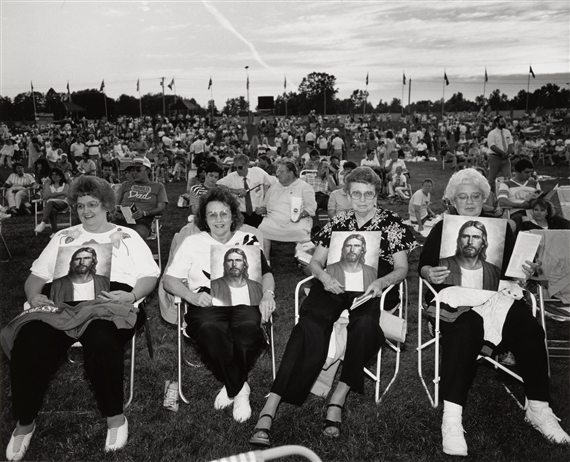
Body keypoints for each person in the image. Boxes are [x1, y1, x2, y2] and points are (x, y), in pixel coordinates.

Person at [250, 167, 417, 446]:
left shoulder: (392, 222)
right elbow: (316, 261)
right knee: (309, 325)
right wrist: (324, 277)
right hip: (334, 282)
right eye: (356, 194)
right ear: (348, 195)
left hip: (373, 286)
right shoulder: (339, 221)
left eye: (368, 194)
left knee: (364, 325)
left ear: (376, 195)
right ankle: (272, 404)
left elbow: (402, 268)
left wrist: (381, 283)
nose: (362, 200)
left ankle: (338, 397)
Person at [2, 176, 160, 460]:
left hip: (110, 301)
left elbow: (150, 274)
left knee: (101, 341)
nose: (86, 211)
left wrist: (132, 295)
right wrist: (35, 295)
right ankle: (25, 423)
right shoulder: (63, 237)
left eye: (93, 204)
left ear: (107, 205)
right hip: (62, 303)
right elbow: (37, 276)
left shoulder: (129, 236)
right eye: (80, 205)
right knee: (28, 340)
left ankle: (115, 418)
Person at [418, 168, 570, 457]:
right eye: (462, 197)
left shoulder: (500, 227)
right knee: (467, 328)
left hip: (496, 296)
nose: (470, 201)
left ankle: (538, 408)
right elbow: (423, 265)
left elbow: (518, 270)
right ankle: (451, 418)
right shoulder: (442, 227)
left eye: (475, 196)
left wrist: (528, 271)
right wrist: (430, 272)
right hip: (455, 299)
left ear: (484, 198)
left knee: (529, 327)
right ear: (452, 200)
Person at [163, 188, 276, 423]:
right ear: (204, 219)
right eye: (212, 215)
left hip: (245, 299)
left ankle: (231, 386)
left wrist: (267, 294)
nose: (218, 220)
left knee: (247, 329)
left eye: (223, 214)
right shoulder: (192, 242)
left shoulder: (248, 239)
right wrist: (191, 297)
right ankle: (240, 389)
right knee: (209, 328)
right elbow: (169, 280)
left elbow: (266, 273)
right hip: (205, 301)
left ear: (233, 216)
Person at [257, 161, 317, 262]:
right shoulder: (274, 187)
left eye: (281, 171)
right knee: (261, 230)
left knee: (302, 234)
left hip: (297, 221)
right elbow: (264, 205)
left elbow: (311, 208)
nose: (278, 174)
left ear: (291, 173)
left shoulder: (304, 187)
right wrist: (261, 209)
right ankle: (265, 263)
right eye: (277, 171)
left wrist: (300, 216)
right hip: (273, 221)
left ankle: (304, 262)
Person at [216, 154, 275, 228]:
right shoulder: (232, 177)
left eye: (240, 167)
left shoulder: (258, 172)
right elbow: (217, 185)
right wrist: (234, 191)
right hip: (241, 215)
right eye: (235, 168)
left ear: (247, 165)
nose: (237, 170)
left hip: (258, 214)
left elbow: (274, 184)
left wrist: (266, 205)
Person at [115, 157, 168, 239]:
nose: (134, 173)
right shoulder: (126, 184)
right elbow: (115, 202)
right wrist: (115, 211)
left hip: (142, 222)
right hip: (120, 219)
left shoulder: (158, 187)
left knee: (134, 236)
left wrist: (144, 213)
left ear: (148, 171)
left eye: (138, 170)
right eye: (132, 170)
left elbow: (161, 208)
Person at [439, 220, 501, 288]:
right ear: (459, 241)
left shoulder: (495, 272)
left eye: (476, 237)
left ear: (483, 243)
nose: (470, 242)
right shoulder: (442, 265)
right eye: (465, 236)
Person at [497, 159, 541, 231]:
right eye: (526, 172)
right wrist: (521, 205)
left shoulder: (534, 183)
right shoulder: (506, 184)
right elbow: (502, 201)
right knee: (519, 218)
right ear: (517, 171)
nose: (529, 175)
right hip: (516, 211)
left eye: (531, 172)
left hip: (534, 210)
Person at [34, 168, 70, 236]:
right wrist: (60, 195)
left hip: (62, 203)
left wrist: (52, 196)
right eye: (52, 174)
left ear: (61, 176)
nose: (54, 176)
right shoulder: (48, 184)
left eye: (56, 174)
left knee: (50, 202)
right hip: (51, 205)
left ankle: (43, 223)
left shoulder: (65, 184)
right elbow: (47, 195)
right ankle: (54, 232)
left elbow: (65, 194)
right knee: (53, 210)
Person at [487, 115, 514, 192]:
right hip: (495, 158)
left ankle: (508, 193)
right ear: (496, 123)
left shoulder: (507, 132)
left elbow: (510, 143)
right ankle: (491, 195)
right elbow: (492, 146)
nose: (504, 123)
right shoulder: (492, 133)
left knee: (508, 177)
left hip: (506, 158)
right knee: (492, 178)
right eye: (502, 121)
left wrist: (509, 152)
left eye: (504, 121)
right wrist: (502, 153)